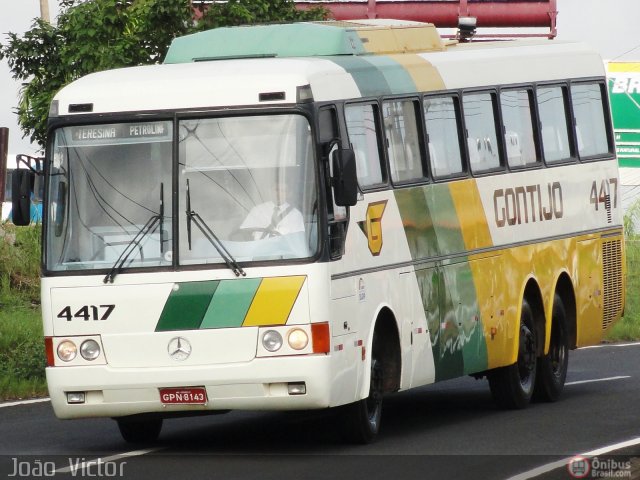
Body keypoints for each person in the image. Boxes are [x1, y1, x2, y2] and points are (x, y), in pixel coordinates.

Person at [237, 184, 304, 240]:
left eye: (283, 190)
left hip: (284, 253)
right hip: (258, 251)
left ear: (289, 193)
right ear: (270, 192)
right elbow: (244, 232)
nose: (279, 193)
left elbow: (297, 240)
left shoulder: (296, 215)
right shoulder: (257, 209)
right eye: (276, 190)